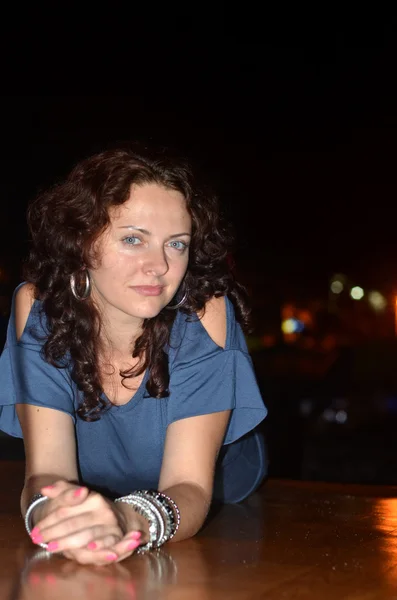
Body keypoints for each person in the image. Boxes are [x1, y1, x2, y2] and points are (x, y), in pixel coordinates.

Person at [0, 147, 267, 565]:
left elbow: (190, 487)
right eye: (132, 239)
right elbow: (45, 474)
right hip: (95, 489)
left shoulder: (205, 312)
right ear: (81, 241)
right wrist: (58, 517)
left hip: (213, 503)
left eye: (176, 244)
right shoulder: (37, 309)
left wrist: (126, 523)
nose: (159, 265)